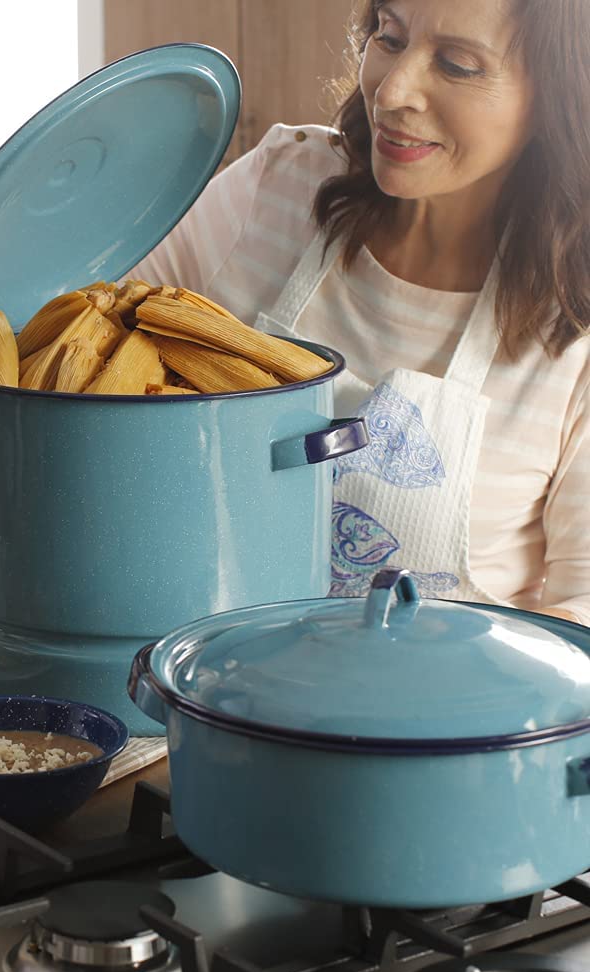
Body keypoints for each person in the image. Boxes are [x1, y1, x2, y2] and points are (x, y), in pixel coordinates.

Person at [133, 0, 590, 623]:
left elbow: (579, 632)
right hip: (194, 694)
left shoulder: (573, 326)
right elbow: (88, 345)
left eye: (456, 64)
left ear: (559, 95)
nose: (393, 90)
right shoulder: (276, 187)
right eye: (390, 36)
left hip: (443, 717)